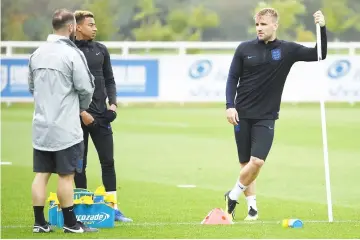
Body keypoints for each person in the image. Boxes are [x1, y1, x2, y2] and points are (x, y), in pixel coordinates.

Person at [224, 8, 327, 221]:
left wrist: (323, 28)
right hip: (241, 114)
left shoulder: (288, 50)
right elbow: (232, 77)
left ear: (275, 25)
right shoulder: (244, 48)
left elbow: (320, 54)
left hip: (266, 115)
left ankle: (232, 194)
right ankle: (252, 209)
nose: (259, 29)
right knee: (245, 163)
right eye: (257, 25)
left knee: (257, 161)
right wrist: (229, 105)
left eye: (263, 25)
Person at [29, 9, 98, 233]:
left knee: (41, 175)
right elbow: (86, 88)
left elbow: (32, 87)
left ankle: (40, 223)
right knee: (67, 176)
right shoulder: (72, 54)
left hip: (41, 126)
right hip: (65, 127)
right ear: (70, 28)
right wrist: (82, 107)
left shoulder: (37, 54)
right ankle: (71, 223)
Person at [73, 10, 132, 222]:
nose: (95, 28)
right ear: (78, 27)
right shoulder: (69, 51)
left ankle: (113, 208)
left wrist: (113, 104)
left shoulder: (101, 50)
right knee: (79, 164)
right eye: (90, 24)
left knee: (108, 162)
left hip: (102, 117)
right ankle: (80, 207)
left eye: (95, 24)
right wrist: (81, 112)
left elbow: (110, 79)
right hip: (76, 118)